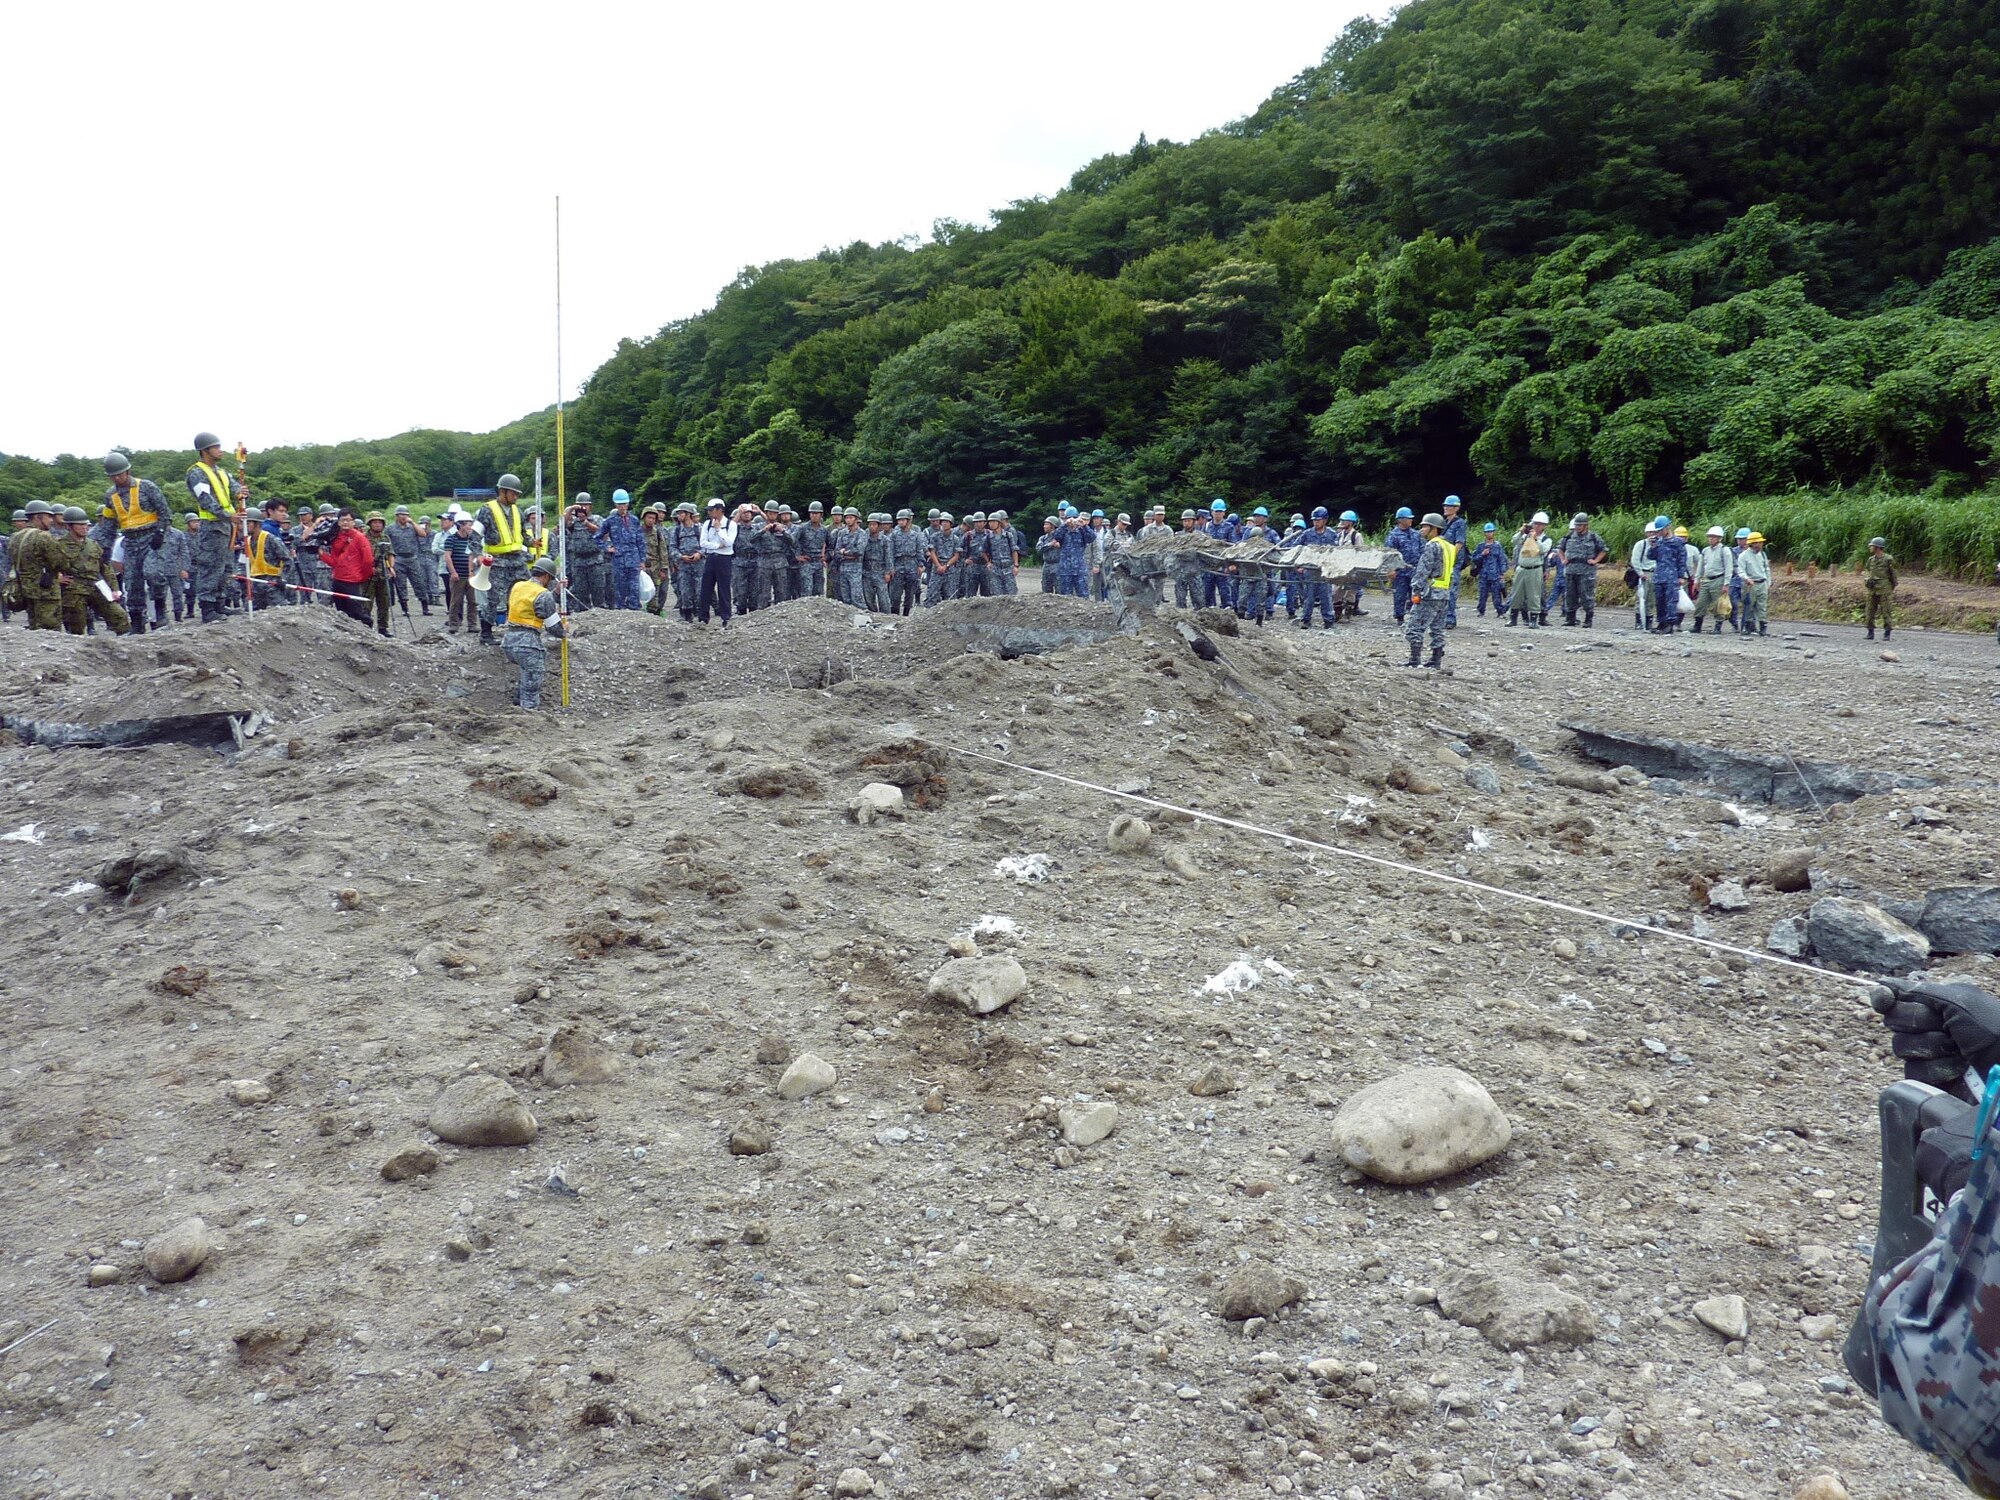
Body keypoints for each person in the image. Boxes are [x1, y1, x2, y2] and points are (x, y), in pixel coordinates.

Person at [100, 451, 171, 635]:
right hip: (130, 541)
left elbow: (164, 511)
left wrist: (161, 532)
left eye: (119, 474)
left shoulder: (146, 487)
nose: (117, 478)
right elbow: (108, 525)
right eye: (113, 476)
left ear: (128, 471)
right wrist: (106, 548)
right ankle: (138, 623)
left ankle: (160, 611)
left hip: (151, 537)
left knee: (154, 573)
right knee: (132, 583)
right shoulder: (110, 496)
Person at [183, 431, 247, 623]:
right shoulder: (197, 472)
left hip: (227, 526)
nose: (220, 451)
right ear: (204, 450)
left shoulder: (222, 472)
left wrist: (241, 493)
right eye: (216, 447)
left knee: (225, 567)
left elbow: (234, 488)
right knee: (211, 567)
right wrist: (229, 515)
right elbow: (205, 500)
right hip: (212, 526)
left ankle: (220, 603)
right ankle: (208, 608)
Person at [500, 556, 567, 709]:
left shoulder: (518, 586)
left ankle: (517, 702)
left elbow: (533, 603)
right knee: (531, 686)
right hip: (528, 645)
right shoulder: (543, 594)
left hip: (509, 641)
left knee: (525, 673)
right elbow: (553, 626)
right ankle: (528, 716)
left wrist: (555, 593)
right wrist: (564, 631)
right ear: (546, 576)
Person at [57, 506, 131, 634]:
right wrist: (56, 577)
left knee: (119, 616)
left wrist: (114, 589)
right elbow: (48, 565)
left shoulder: (93, 544)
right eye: (80, 525)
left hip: (95, 585)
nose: (84, 527)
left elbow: (105, 568)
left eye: (86, 524)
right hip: (73, 588)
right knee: (76, 626)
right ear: (69, 526)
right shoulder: (59, 545)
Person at [475, 475, 531, 645]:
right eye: (513, 493)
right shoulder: (487, 510)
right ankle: (486, 633)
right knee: (493, 598)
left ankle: (520, 628)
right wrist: (478, 554)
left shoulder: (518, 511)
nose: (515, 497)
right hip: (497, 562)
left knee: (523, 593)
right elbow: (475, 534)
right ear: (502, 491)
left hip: (517, 561)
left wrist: (532, 542)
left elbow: (522, 535)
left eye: (517, 494)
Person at [1402, 512, 1452, 669]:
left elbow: (1423, 570)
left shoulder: (1432, 546)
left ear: (1434, 529)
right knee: (1437, 628)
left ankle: (1414, 659)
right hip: (1444, 593)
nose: (1421, 529)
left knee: (1414, 626)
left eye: (1425, 526)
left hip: (1430, 592)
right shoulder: (1449, 547)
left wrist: (1416, 590)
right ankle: (1435, 660)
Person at [324, 510, 377, 627]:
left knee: (356, 610)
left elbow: (368, 560)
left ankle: (368, 630)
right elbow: (335, 561)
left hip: (352, 580)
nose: (346, 523)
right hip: (337, 578)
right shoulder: (336, 537)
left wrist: (362, 576)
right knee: (341, 612)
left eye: (349, 520)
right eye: (343, 520)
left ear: (354, 522)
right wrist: (321, 555)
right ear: (338, 522)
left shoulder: (360, 538)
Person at [1555, 513, 1609, 628]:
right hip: (1571, 570)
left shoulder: (1593, 537)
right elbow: (1560, 548)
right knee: (1570, 595)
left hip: (1586, 571)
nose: (1578, 527)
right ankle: (1570, 619)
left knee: (1587, 595)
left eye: (1580, 525)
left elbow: (1604, 550)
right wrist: (1563, 559)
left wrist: (1595, 561)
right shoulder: (1569, 537)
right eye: (1576, 525)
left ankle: (1588, 619)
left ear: (1586, 525)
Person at [600, 490, 645, 609]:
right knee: (620, 589)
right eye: (620, 504)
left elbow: (640, 541)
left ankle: (635, 612)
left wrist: (642, 560)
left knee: (634, 589)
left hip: (634, 559)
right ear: (615, 505)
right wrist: (607, 548)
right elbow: (597, 537)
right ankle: (621, 613)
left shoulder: (634, 520)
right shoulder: (610, 520)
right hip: (619, 560)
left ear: (628, 504)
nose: (622, 507)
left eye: (624, 504)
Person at [245, 500, 294, 610]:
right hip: (256, 585)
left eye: (247, 523)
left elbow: (287, 560)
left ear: (257, 524)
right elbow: (243, 562)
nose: (243, 526)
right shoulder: (247, 541)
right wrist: (241, 576)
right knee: (249, 612)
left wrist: (283, 579)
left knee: (281, 611)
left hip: (272, 584)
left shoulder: (270, 537)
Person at [1505, 512, 1551, 627]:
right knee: (1516, 594)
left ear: (1544, 525)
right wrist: (1521, 532)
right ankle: (1513, 618)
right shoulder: (1526, 536)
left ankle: (1534, 620)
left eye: (1540, 524)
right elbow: (1514, 541)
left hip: (1535, 569)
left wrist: (1536, 539)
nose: (1537, 526)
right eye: (1535, 523)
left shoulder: (1546, 539)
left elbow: (1543, 550)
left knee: (1534, 595)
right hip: (1522, 568)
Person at [440, 513, 482, 633]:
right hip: (458, 575)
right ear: (461, 525)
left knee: (473, 601)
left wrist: (472, 572)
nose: (470, 527)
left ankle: (472, 625)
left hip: (471, 575)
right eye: (468, 524)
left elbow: (473, 555)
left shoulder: (473, 540)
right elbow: (447, 557)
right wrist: (453, 572)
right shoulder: (451, 539)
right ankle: (454, 623)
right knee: (456, 601)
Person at [697, 499, 737, 625]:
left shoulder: (731, 524)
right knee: (706, 588)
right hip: (710, 557)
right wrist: (716, 546)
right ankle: (703, 617)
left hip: (724, 559)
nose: (709, 512)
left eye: (711, 510)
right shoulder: (707, 524)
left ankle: (726, 617)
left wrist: (719, 530)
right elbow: (703, 542)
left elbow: (729, 543)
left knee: (723, 588)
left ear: (720, 509)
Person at [1649, 517, 1689, 633]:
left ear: (1668, 527)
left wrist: (1681, 576)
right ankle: (1661, 623)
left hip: (1672, 576)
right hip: (1659, 575)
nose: (1658, 533)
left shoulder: (1677, 542)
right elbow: (1650, 556)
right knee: (1659, 600)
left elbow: (1682, 560)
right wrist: (1652, 547)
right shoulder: (1658, 542)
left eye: (1660, 530)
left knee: (1671, 601)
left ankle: (1670, 624)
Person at [385, 505, 427, 615]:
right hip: (398, 558)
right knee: (401, 584)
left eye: (406, 515)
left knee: (419, 582)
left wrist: (412, 522)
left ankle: (425, 607)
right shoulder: (390, 529)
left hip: (412, 558)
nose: (404, 517)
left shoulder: (413, 527)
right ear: (397, 516)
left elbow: (423, 534)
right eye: (402, 514)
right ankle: (405, 608)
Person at [1385, 507, 1423, 622]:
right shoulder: (1393, 535)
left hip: (1415, 570)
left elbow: (1422, 550)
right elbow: (1389, 554)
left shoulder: (1416, 534)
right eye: (1408, 518)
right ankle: (1399, 616)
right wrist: (1391, 570)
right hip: (1400, 571)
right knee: (1400, 595)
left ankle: (1414, 615)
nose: (1411, 520)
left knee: (1416, 593)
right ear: (1400, 520)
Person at [669, 502, 704, 622]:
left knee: (700, 591)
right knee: (685, 591)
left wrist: (700, 553)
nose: (679, 516)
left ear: (688, 514)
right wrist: (680, 556)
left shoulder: (699, 528)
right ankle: (687, 616)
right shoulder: (676, 531)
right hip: (684, 565)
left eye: (681, 513)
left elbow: (707, 545)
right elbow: (672, 548)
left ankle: (701, 616)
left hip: (699, 565)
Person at [1439, 496, 1468, 628]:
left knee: (1452, 590)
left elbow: (1459, 543)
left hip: (1453, 563)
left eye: (1449, 506)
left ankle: (1450, 618)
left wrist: (1450, 557)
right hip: (1442, 562)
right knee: (1441, 590)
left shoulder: (1459, 523)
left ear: (1456, 508)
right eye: (1445, 505)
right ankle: (1441, 617)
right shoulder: (1443, 523)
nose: (1446, 507)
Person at [888, 509, 924, 613]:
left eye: (902, 520)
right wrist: (891, 567)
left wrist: (920, 565)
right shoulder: (894, 535)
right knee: (896, 593)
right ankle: (894, 614)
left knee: (910, 593)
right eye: (899, 520)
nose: (900, 522)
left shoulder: (915, 535)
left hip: (912, 564)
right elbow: (890, 552)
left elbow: (919, 550)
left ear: (908, 521)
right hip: (898, 564)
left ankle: (906, 614)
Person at [1737, 532, 1771, 636]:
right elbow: (1740, 571)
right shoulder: (1743, 556)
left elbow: (1766, 569)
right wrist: (1747, 579)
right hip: (1750, 584)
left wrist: (1768, 582)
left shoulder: (1763, 554)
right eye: (1758, 543)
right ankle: (1748, 627)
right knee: (1749, 605)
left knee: (1762, 606)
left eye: (1761, 543)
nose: (1761, 545)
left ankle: (1763, 627)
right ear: (1752, 543)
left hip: (1762, 583)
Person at [1864, 536, 1898, 641]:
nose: (1871, 548)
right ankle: (1870, 632)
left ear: (1878, 547)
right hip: (1873, 589)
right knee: (1869, 611)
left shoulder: (1888, 559)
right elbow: (1868, 571)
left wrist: (1890, 587)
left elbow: (1893, 576)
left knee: (1886, 611)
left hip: (1884, 589)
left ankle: (1887, 633)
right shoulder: (1871, 560)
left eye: (1872, 546)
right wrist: (1867, 581)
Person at [1469, 523, 1506, 616]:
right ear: (1484, 533)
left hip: (1495, 574)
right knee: (1482, 594)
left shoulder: (1498, 546)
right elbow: (1473, 559)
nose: (1489, 534)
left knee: (1496, 594)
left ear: (1494, 533)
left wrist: (1502, 573)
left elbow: (1502, 560)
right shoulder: (1480, 546)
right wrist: (1482, 554)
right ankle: (1481, 611)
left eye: (1491, 532)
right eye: (1487, 532)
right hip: (1483, 574)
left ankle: (1500, 612)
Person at [927, 512, 961, 605]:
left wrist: (946, 566)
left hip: (949, 570)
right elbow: (932, 552)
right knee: (932, 595)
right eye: (943, 522)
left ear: (951, 524)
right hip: (937, 569)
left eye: (947, 522)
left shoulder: (956, 539)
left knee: (950, 597)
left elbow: (956, 555)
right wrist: (938, 565)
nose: (944, 524)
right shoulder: (935, 537)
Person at [798, 501, 829, 603]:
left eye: (816, 513)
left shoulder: (824, 530)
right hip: (807, 563)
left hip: (818, 564)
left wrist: (826, 556)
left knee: (819, 592)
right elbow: (792, 541)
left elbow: (831, 545)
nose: (814, 515)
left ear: (821, 515)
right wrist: (797, 556)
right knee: (806, 592)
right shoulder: (802, 528)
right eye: (812, 513)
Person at [987, 509, 1021, 595]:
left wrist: (1016, 565)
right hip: (996, 567)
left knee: (1011, 592)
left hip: (1007, 565)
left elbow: (1014, 549)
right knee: (996, 592)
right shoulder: (989, 537)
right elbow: (983, 550)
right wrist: (989, 562)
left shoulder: (1009, 534)